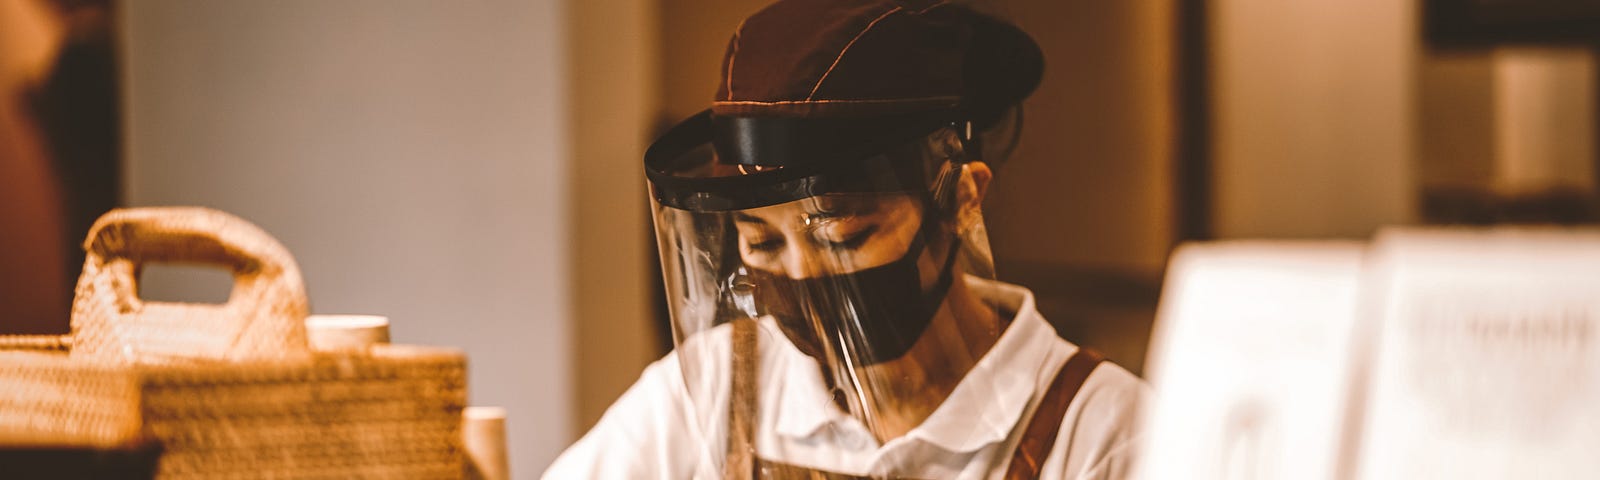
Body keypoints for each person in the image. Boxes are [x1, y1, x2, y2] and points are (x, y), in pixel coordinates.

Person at [545, 1, 1147, 478]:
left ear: (963, 197)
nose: (802, 275)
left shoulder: (1105, 434)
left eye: (842, 235)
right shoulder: (717, 389)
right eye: (763, 244)